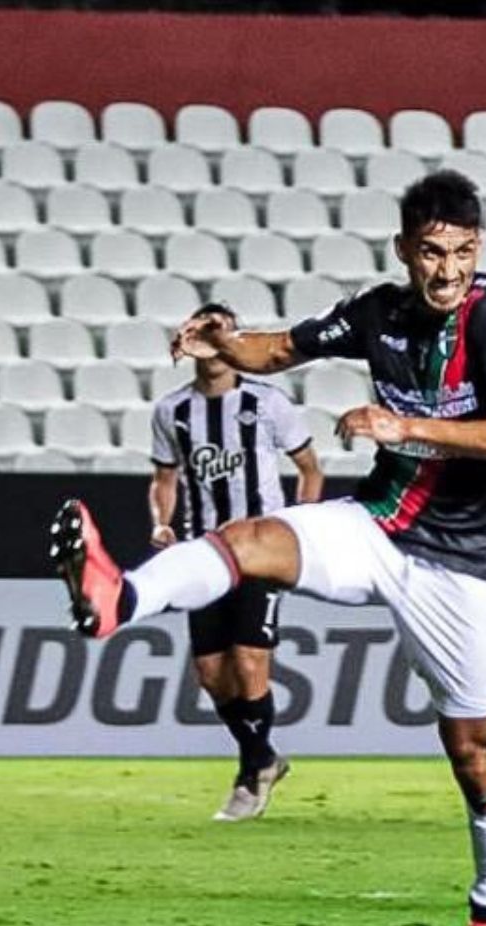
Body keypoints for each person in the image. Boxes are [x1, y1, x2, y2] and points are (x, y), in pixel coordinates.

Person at [50, 170, 486, 926]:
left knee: (476, 755)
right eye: (431, 252)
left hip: (462, 567)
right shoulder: (381, 313)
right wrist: (222, 340)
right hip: (381, 524)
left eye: (462, 252)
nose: (447, 270)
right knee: (247, 539)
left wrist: (406, 426)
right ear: (404, 250)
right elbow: (276, 349)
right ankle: (117, 599)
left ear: (479, 250)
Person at [148, 302, 323, 822]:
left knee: (248, 663)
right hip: (203, 553)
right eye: (201, 328)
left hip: (260, 551)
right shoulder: (171, 411)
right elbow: (165, 479)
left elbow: (309, 470)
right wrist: (162, 520)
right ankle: (263, 758)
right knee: (210, 674)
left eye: (220, 328)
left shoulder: (267, 403)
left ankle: (252, 773)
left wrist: (298, 529)